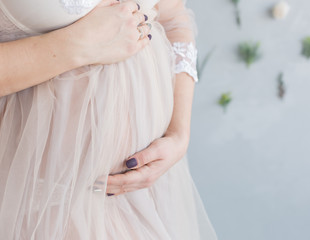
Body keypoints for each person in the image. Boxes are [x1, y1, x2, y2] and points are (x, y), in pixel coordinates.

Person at [0, 0, 218, 239]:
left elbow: (174, 17)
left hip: (143, 195)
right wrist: (77, 45)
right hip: (35, 199)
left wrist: (179, 133)